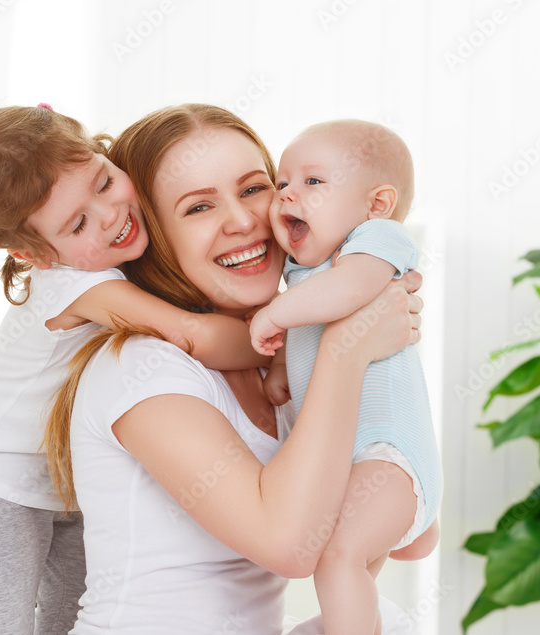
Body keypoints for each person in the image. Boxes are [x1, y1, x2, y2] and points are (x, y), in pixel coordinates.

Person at [42, 104, 425, 634]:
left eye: (254, 189)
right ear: (157, 238)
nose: (243, 221)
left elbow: (405, 540)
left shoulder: (281, 356)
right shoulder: (143, 369)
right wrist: (348, 347)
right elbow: (290, 547)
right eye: (198, 208)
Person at [0, 104, 268, 635]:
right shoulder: (80, 284)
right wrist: (292, 335)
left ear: (102, 152)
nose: (109, 214)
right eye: (79, 222)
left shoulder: (107, 256)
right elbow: (192, 335)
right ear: (36, 254)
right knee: (1, 622)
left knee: (70, 610)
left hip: (62, 466)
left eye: (104, 182)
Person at [249, 119, 442, 634]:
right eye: (282, 182)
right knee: (349, 565)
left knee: (337, 561)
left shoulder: (375, 242)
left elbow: (349, 291)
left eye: (313, 182)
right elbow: (319, 329)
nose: (288, 193)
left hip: (387, 455)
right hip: (353, 465)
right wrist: (278, 371)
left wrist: (272, 317)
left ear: (376, 203)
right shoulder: (302, 274)